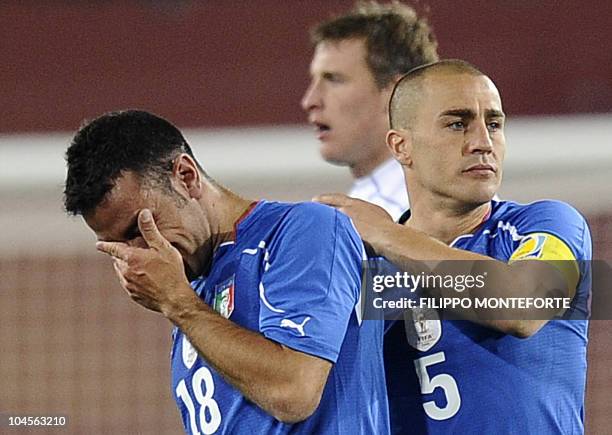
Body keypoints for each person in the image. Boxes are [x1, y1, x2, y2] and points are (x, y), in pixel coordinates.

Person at [63, 110, 390, 434]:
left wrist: (179, 304)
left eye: (141, 227)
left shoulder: (303, 230)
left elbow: (293, 393)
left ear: (186, 176)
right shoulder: (194, 298)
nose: (139, 255)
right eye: (117, 246)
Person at [317, 60, 591, 434]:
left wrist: (385, 233)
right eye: (457, 124)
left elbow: (523, 306)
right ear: (401, 146)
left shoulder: (550, 225)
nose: (482, 143)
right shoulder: (364, 271)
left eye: (494, 124)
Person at [302, 0, 439, 220]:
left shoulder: (417, 216)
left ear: (396, 95)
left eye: (334, 79)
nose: (310, 100)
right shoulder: (367, 202)